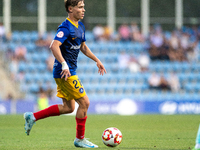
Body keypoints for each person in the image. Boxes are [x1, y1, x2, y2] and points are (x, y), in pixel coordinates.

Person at [24, 0, 106, 148]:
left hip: (69, 71)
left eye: (83, 7)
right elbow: (54, 46)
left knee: (69, 107)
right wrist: (64, 64)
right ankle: (79, 139)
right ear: (70, 9)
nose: (83, 10)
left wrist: (97, 60)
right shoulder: (65, 27)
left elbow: (83, 47)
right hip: (64, 72)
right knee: (85, 103)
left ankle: (32, 116)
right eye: (80, 7)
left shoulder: (80, 26)